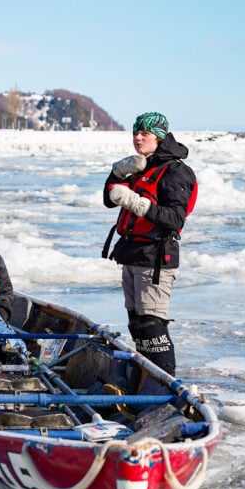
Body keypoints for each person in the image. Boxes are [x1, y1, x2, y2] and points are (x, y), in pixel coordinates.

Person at [102, 111, 197, 376]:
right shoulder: (142, 165)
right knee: (137, 324)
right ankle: (145, 378)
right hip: (131, 253)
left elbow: (175, 218)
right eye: (135, 133)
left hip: (155, 258)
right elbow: (109, 199)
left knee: (152, 325)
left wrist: (136, 202)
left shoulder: (176, 171)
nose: (137, 138)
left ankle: (166, 384)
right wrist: (116, 173)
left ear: (159, 137)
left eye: (144, 133)